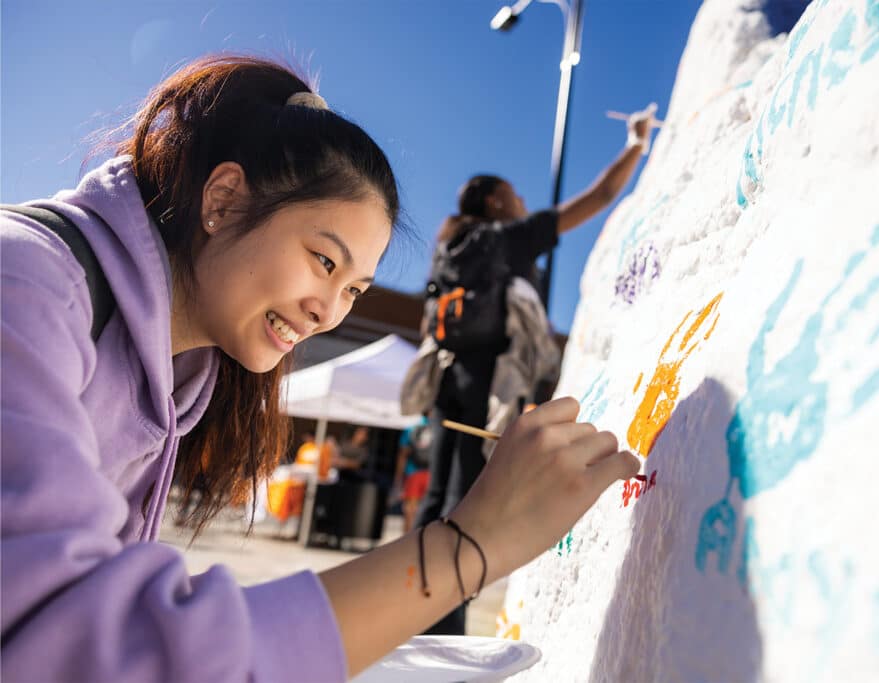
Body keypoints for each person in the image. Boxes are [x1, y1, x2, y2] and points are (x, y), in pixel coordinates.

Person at [0, 54, 639, 681]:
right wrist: (471, 546)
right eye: (324, 262)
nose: (326, 313)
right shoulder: (26, 285)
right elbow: (72, 642)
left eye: (354, 292)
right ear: (222, 199)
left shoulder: (183, 375)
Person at [410, 107, 654, 635]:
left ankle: (410, 608)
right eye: (515, 194)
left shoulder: (450, 248)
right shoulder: (503, 239)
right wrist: (636, 144)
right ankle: (442, 625)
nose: (522, 201)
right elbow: (596, 200)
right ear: (497, 201)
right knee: (466, 499)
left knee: (434, 499)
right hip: (487, 383)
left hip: (446, 380)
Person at [394, 415, 432, 533]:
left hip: (413, 472)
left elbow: (403, 454)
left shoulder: (412, 427)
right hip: (431, 474)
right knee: (428, 510)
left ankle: (406, 541)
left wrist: (398, 479)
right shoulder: (437, 426)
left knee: (410, 510)